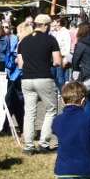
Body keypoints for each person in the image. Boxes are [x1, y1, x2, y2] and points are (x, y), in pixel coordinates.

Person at [18, 14, 62, 154]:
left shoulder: (23, 41)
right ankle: (43, 143)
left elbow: (20, 64)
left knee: (29, 112)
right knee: (51, 109)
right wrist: (47, 62)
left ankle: (29, 145)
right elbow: (57, 62)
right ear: (45, 26)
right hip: (43, 77)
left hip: (26, 79)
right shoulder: (50, 40)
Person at [51, 18, 72, 90]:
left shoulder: (65, 32)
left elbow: (67, 45)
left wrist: (66, 57)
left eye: (56, 22)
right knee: (57, 76)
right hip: (57, 56)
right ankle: (62, 91)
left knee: (60, 77)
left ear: (59, 23)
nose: (55, 24)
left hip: (62, 56)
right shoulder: (57, 32)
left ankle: (63, 92)